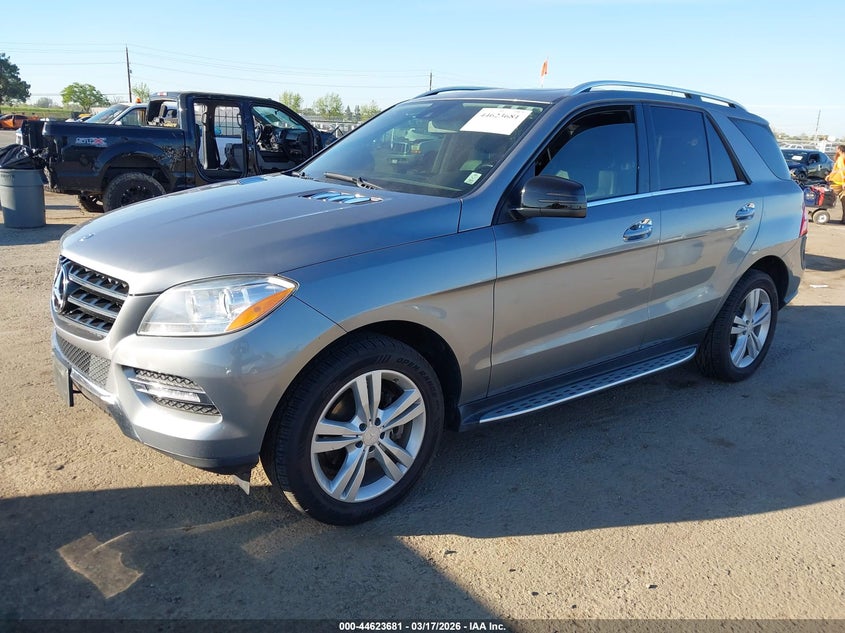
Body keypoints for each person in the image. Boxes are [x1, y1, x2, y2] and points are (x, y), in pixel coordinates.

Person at [825, 144, 845, 223]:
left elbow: (842, 171)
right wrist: (829, 175)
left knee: (827, 197)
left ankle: (822, 213)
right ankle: (844, 219)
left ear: (839, 150)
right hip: (839, 182)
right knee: (843, 201)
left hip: (837, 182)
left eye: (836, 149)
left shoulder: (840, 158)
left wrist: (843, 182)